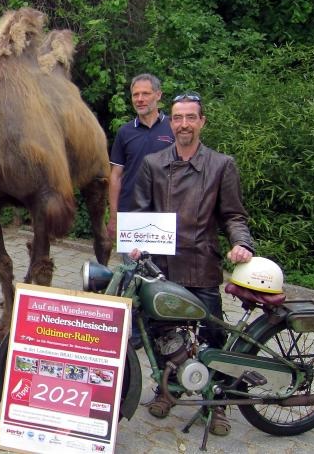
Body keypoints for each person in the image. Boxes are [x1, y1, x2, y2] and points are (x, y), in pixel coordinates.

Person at [129, 92, 254, 436]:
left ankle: (219, 403)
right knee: (161, 333)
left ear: (201, 122)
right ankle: (169, 389)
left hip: (201, 266)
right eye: (178, 117)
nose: (184, 124)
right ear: (171, 121)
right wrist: (135, 245)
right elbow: (139, 213)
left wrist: (241, 243)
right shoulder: (153, 164)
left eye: (190, 117)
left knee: (214, 339)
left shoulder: (221, 165)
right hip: (161, 270)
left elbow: (233, 215)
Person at [107, 73, 175, 348]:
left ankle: (165, 333)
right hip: (132, 217)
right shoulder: (125, 132)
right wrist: (113, 216)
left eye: (145, 94)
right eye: (135, 95)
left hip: (165, 216)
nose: (140, 99)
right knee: (132, 276)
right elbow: (115, 177)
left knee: (163, 276)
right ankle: (135, 336)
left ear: (158, 95)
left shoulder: (173, 127)